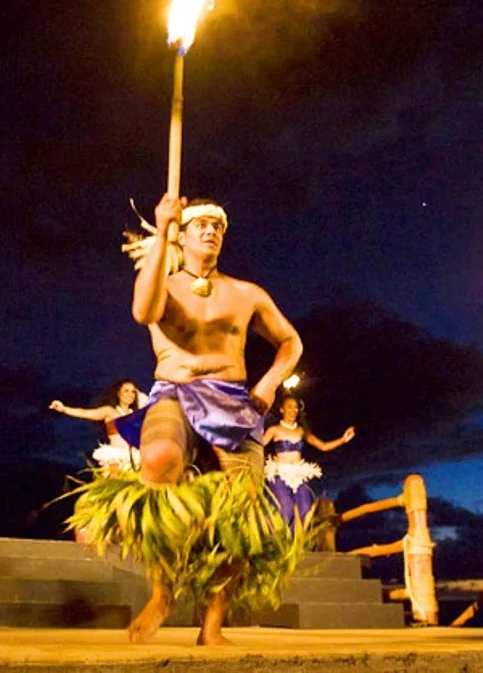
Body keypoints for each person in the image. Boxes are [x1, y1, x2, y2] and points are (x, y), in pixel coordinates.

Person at [71, 194, 305, 646]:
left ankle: (212, 625)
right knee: (158, 460)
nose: (212, 230)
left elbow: (291, 342)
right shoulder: (162, 284)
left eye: (218, 225)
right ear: (182, 232)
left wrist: (270, 383)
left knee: (245, 515)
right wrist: (161, 229)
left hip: (236, 401)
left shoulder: (247, 293)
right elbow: (143, 312)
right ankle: (163, 593)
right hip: (173, 394)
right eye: (201, 224)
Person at [263, 394, 355, 530]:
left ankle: (296, 542)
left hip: (299, 473)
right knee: (286, 509)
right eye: (289, 407)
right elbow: (259, 445)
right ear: (282, 410)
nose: (293, 410)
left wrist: (343, 440)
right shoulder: (274, 430)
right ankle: (277, 541)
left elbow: (323, 446)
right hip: (280, 473)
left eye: (296, 408)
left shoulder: (301, 431)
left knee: (305, 509)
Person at [49, 380, 141, 471]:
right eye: (126, 391)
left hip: (134, 459)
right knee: (113, 484)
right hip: (115, 458)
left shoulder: (137, 416)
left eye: (133, 392)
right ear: (118, 393)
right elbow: (85, 413)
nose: (130, 394)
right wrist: (64, 409)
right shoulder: (109, 411)